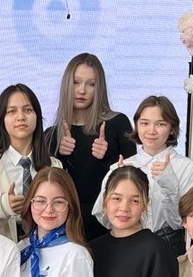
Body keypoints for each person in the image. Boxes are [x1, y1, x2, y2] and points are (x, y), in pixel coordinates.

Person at [91, 95, 193, 256]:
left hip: (168, 246)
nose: (151, 131)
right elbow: (103, 217)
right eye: (144, 123)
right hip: (125, 245)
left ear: (172, 128)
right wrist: (120, 184)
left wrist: (168, 182)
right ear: (136, 125)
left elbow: (178, 222)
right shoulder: (121, 166)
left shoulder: (189, 168)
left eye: (160, 124)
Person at [47, 52, 137, 241]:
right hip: (63, 231)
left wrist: (108, 158)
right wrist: (59, 155)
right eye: (76, 82)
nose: (82, 90)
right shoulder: (51, 134)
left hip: (109, 230)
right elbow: (46, 185)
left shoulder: (118, 123)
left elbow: (133, 179)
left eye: (91, 84)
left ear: (99, 88)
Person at [0, 83, 62, 241]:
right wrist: (4, 205)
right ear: (1, 119)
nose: (21, 117)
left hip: (45, 247)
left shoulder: (54, 165)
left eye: (28, 110)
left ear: (37, 116)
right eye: (12, 111)